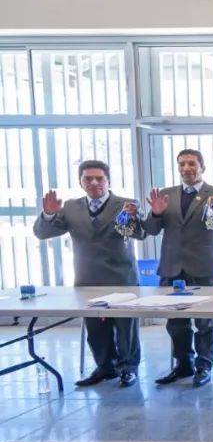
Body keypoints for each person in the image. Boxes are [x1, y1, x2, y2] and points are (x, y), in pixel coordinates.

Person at [33, 160, 145, 388]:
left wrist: (135, 218)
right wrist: (48, 214)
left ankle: (128, 369)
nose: (94, 183)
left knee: (126, 329)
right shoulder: (71, 207)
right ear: (80, 182)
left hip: (121, 279)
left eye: (99, 178)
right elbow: (42, 233)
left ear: (108, 181)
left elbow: (141, 234)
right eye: (88, 179)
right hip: (87, 280)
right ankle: (105, 367)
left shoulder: (126, 204)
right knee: (95, 330)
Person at [144, 148, 213, 388]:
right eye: (182, 164)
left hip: (204, 268)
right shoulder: (165, 195)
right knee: (176, 322)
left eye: (192, 164)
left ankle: (204, 366)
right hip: (172, 268)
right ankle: (183, 364)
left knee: (205, 322)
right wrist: (155, 213)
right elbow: (150, 230)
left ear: (202, 167)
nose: (186, 168)